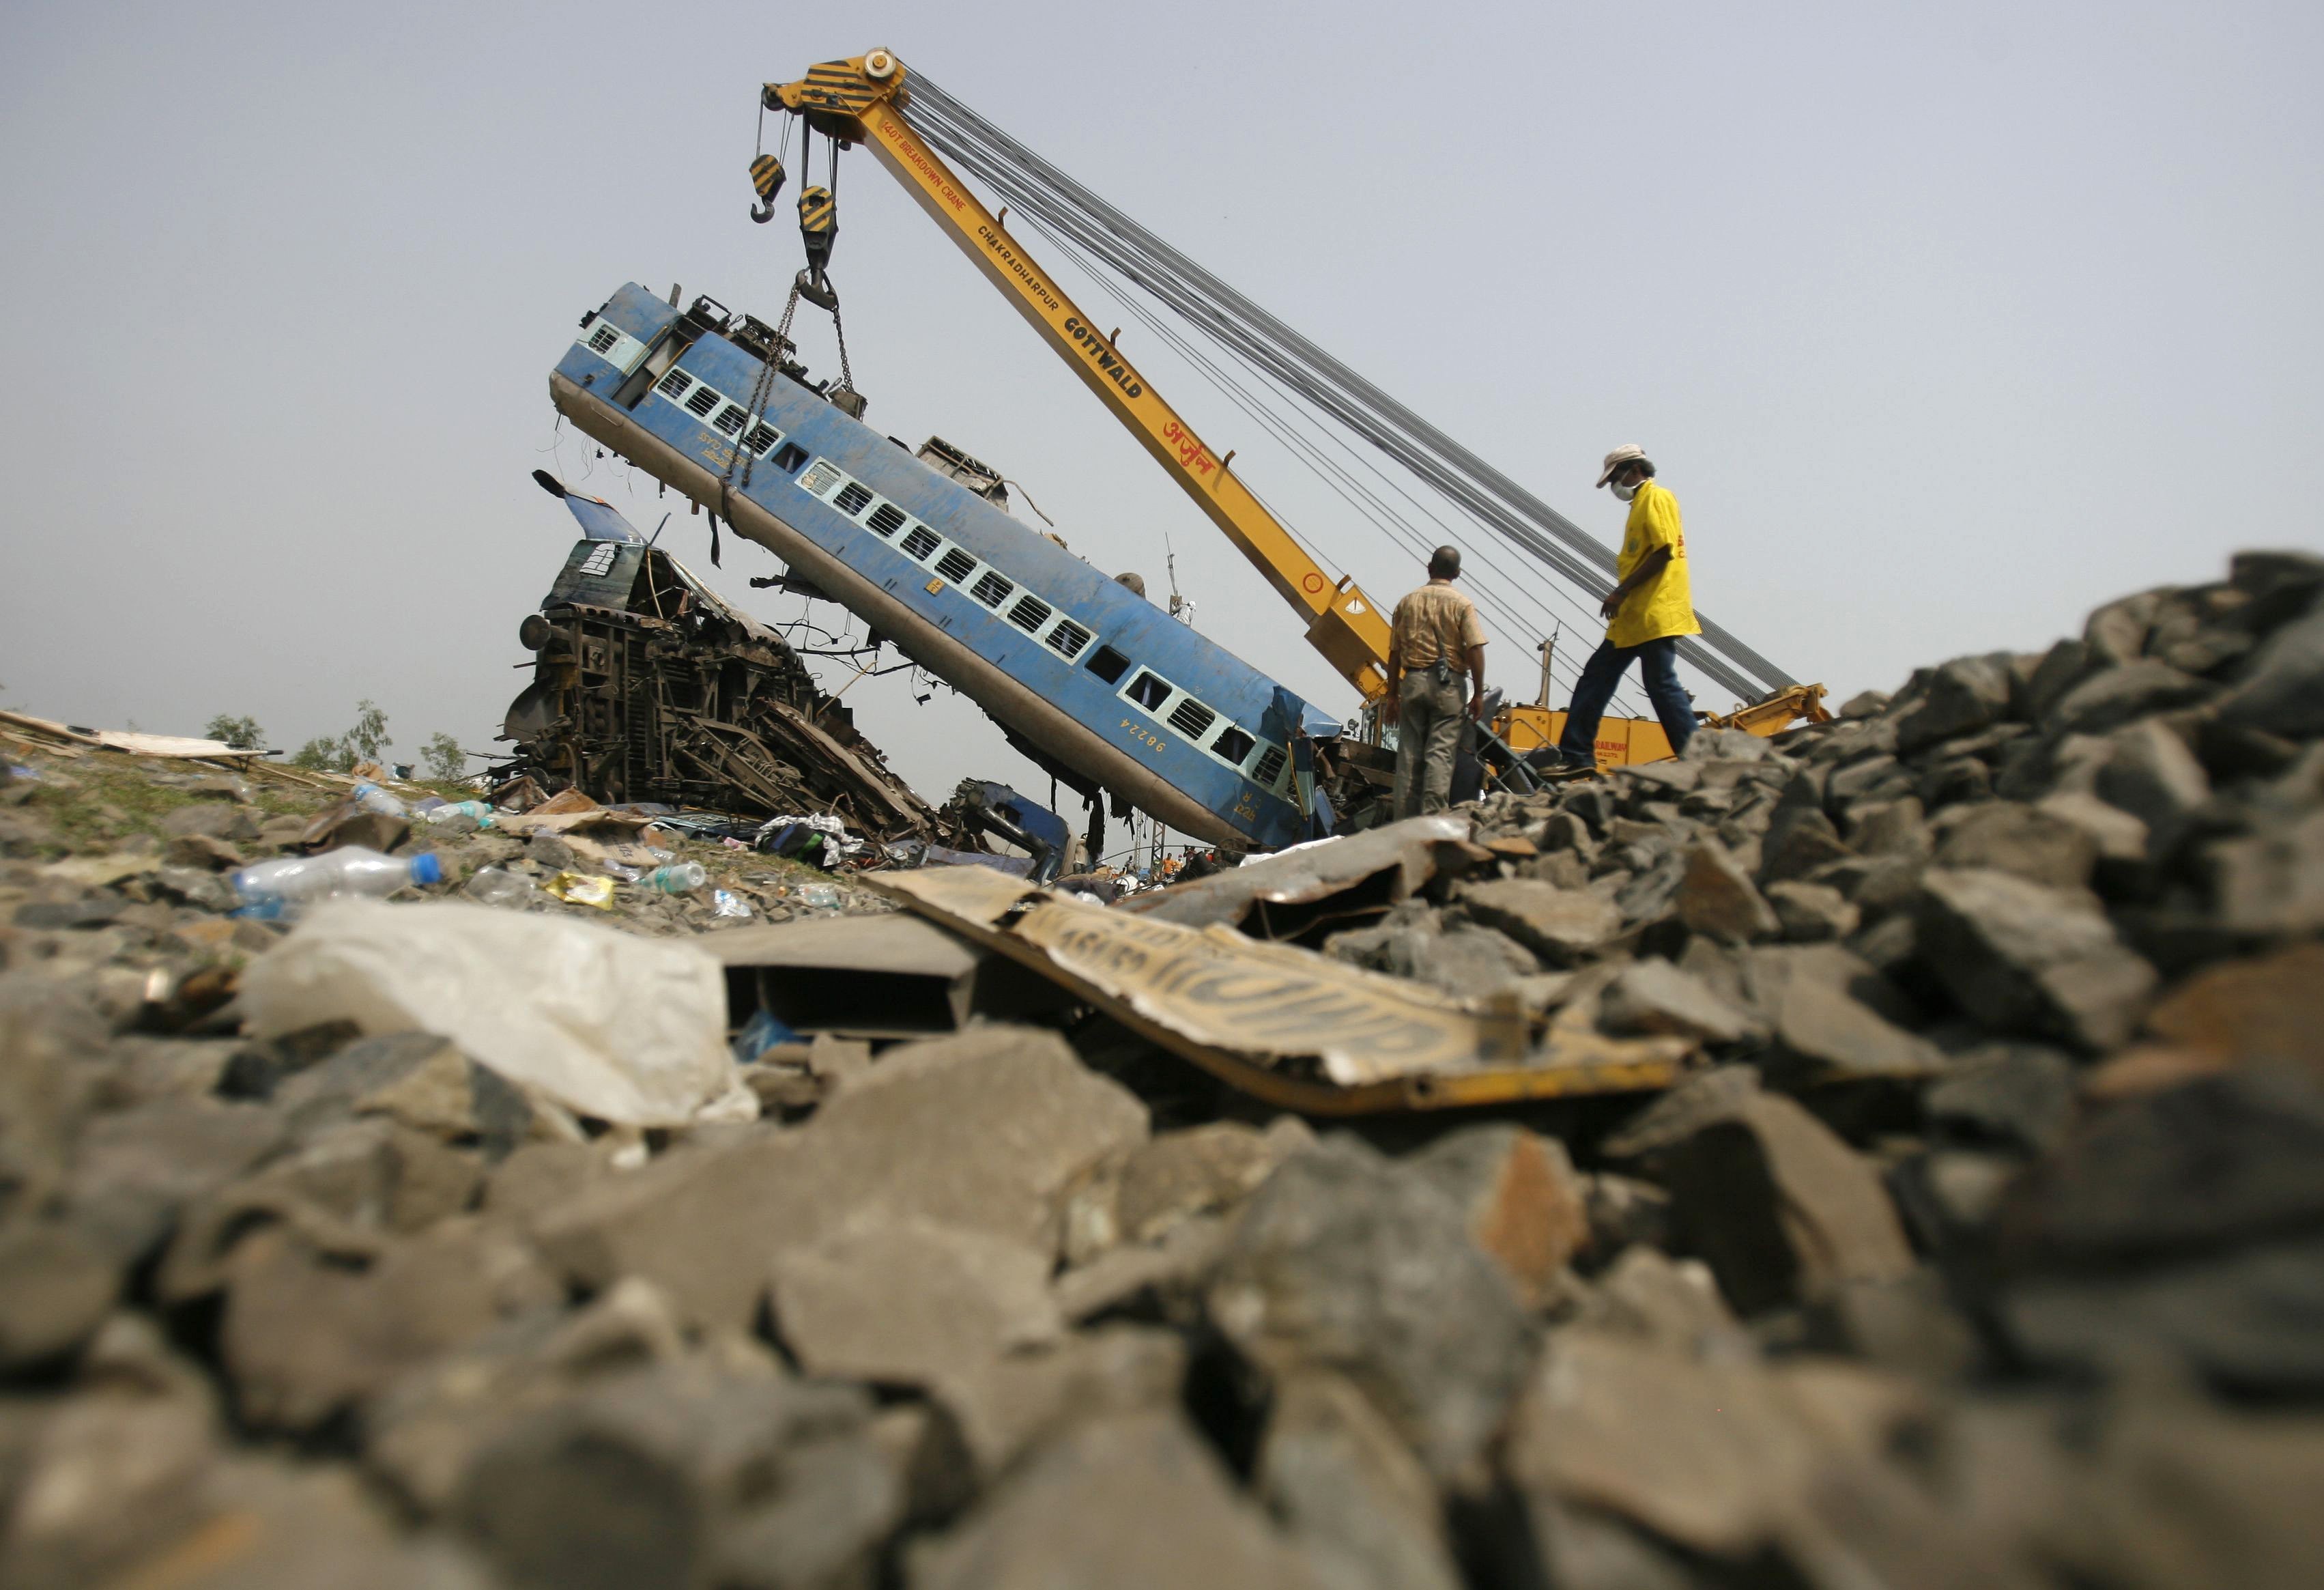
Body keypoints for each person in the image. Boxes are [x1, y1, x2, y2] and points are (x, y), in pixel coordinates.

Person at [1556, 445, 1701, 769]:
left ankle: (1696, 756)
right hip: (1635, 616)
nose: (1614, 487)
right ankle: (1576, 756)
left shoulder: (1655, 498)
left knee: (1659, 683)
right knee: (1602, 678)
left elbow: (1663, 552)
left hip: (1652, 611)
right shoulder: (1639, 505)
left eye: (1615, 478)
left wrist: (1620, 592)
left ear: (1634, 470)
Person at [1386, 545, 1487, 818]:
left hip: (1414, 682)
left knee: (1409, 756)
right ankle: (1431, 823)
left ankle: (1402, 823)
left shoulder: (1407, 603)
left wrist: (1392, 695)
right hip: (1449, 686)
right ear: (1457, 573)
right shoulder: (1462, 604)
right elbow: (1475, 648)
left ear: (1429, 568)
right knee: (1440, 755)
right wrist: (1478, 694)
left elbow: (1394, 653)